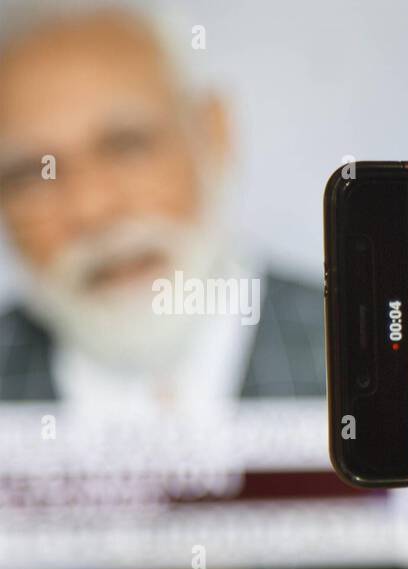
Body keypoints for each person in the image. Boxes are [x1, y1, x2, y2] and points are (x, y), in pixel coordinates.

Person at [0, 3, 324, 407]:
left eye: (126, 145)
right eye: (32, 175)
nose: (91, 208)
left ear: (214, 132)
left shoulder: (361, 352)